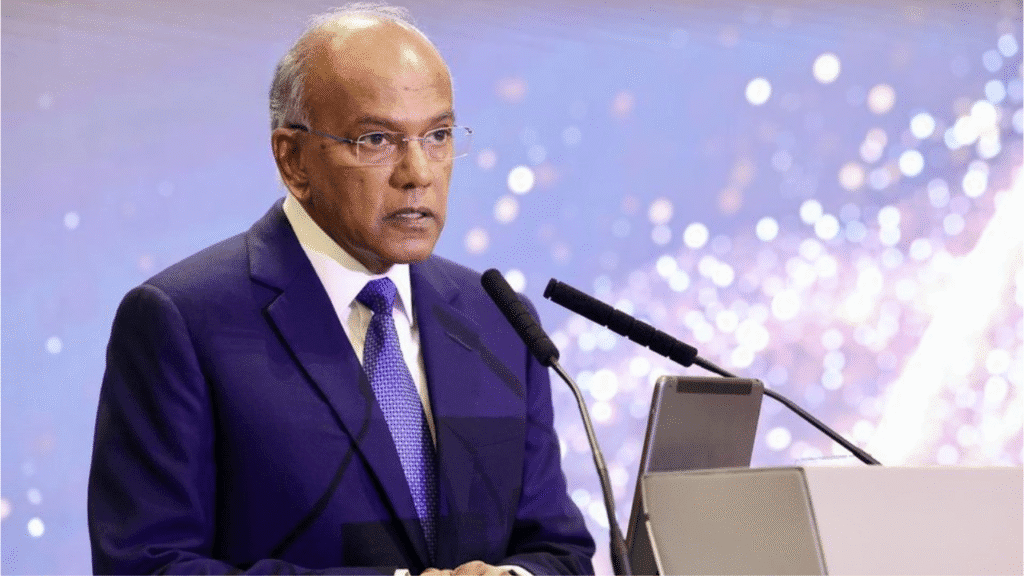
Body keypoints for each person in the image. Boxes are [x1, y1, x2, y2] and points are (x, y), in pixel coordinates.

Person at [87, 4, 595, 575]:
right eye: (377, 139)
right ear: (293, 160)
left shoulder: (499, 321)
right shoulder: (181, 321)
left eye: (438, 136)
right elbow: (147, 566)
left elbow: (561, 552)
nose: (418, 173)